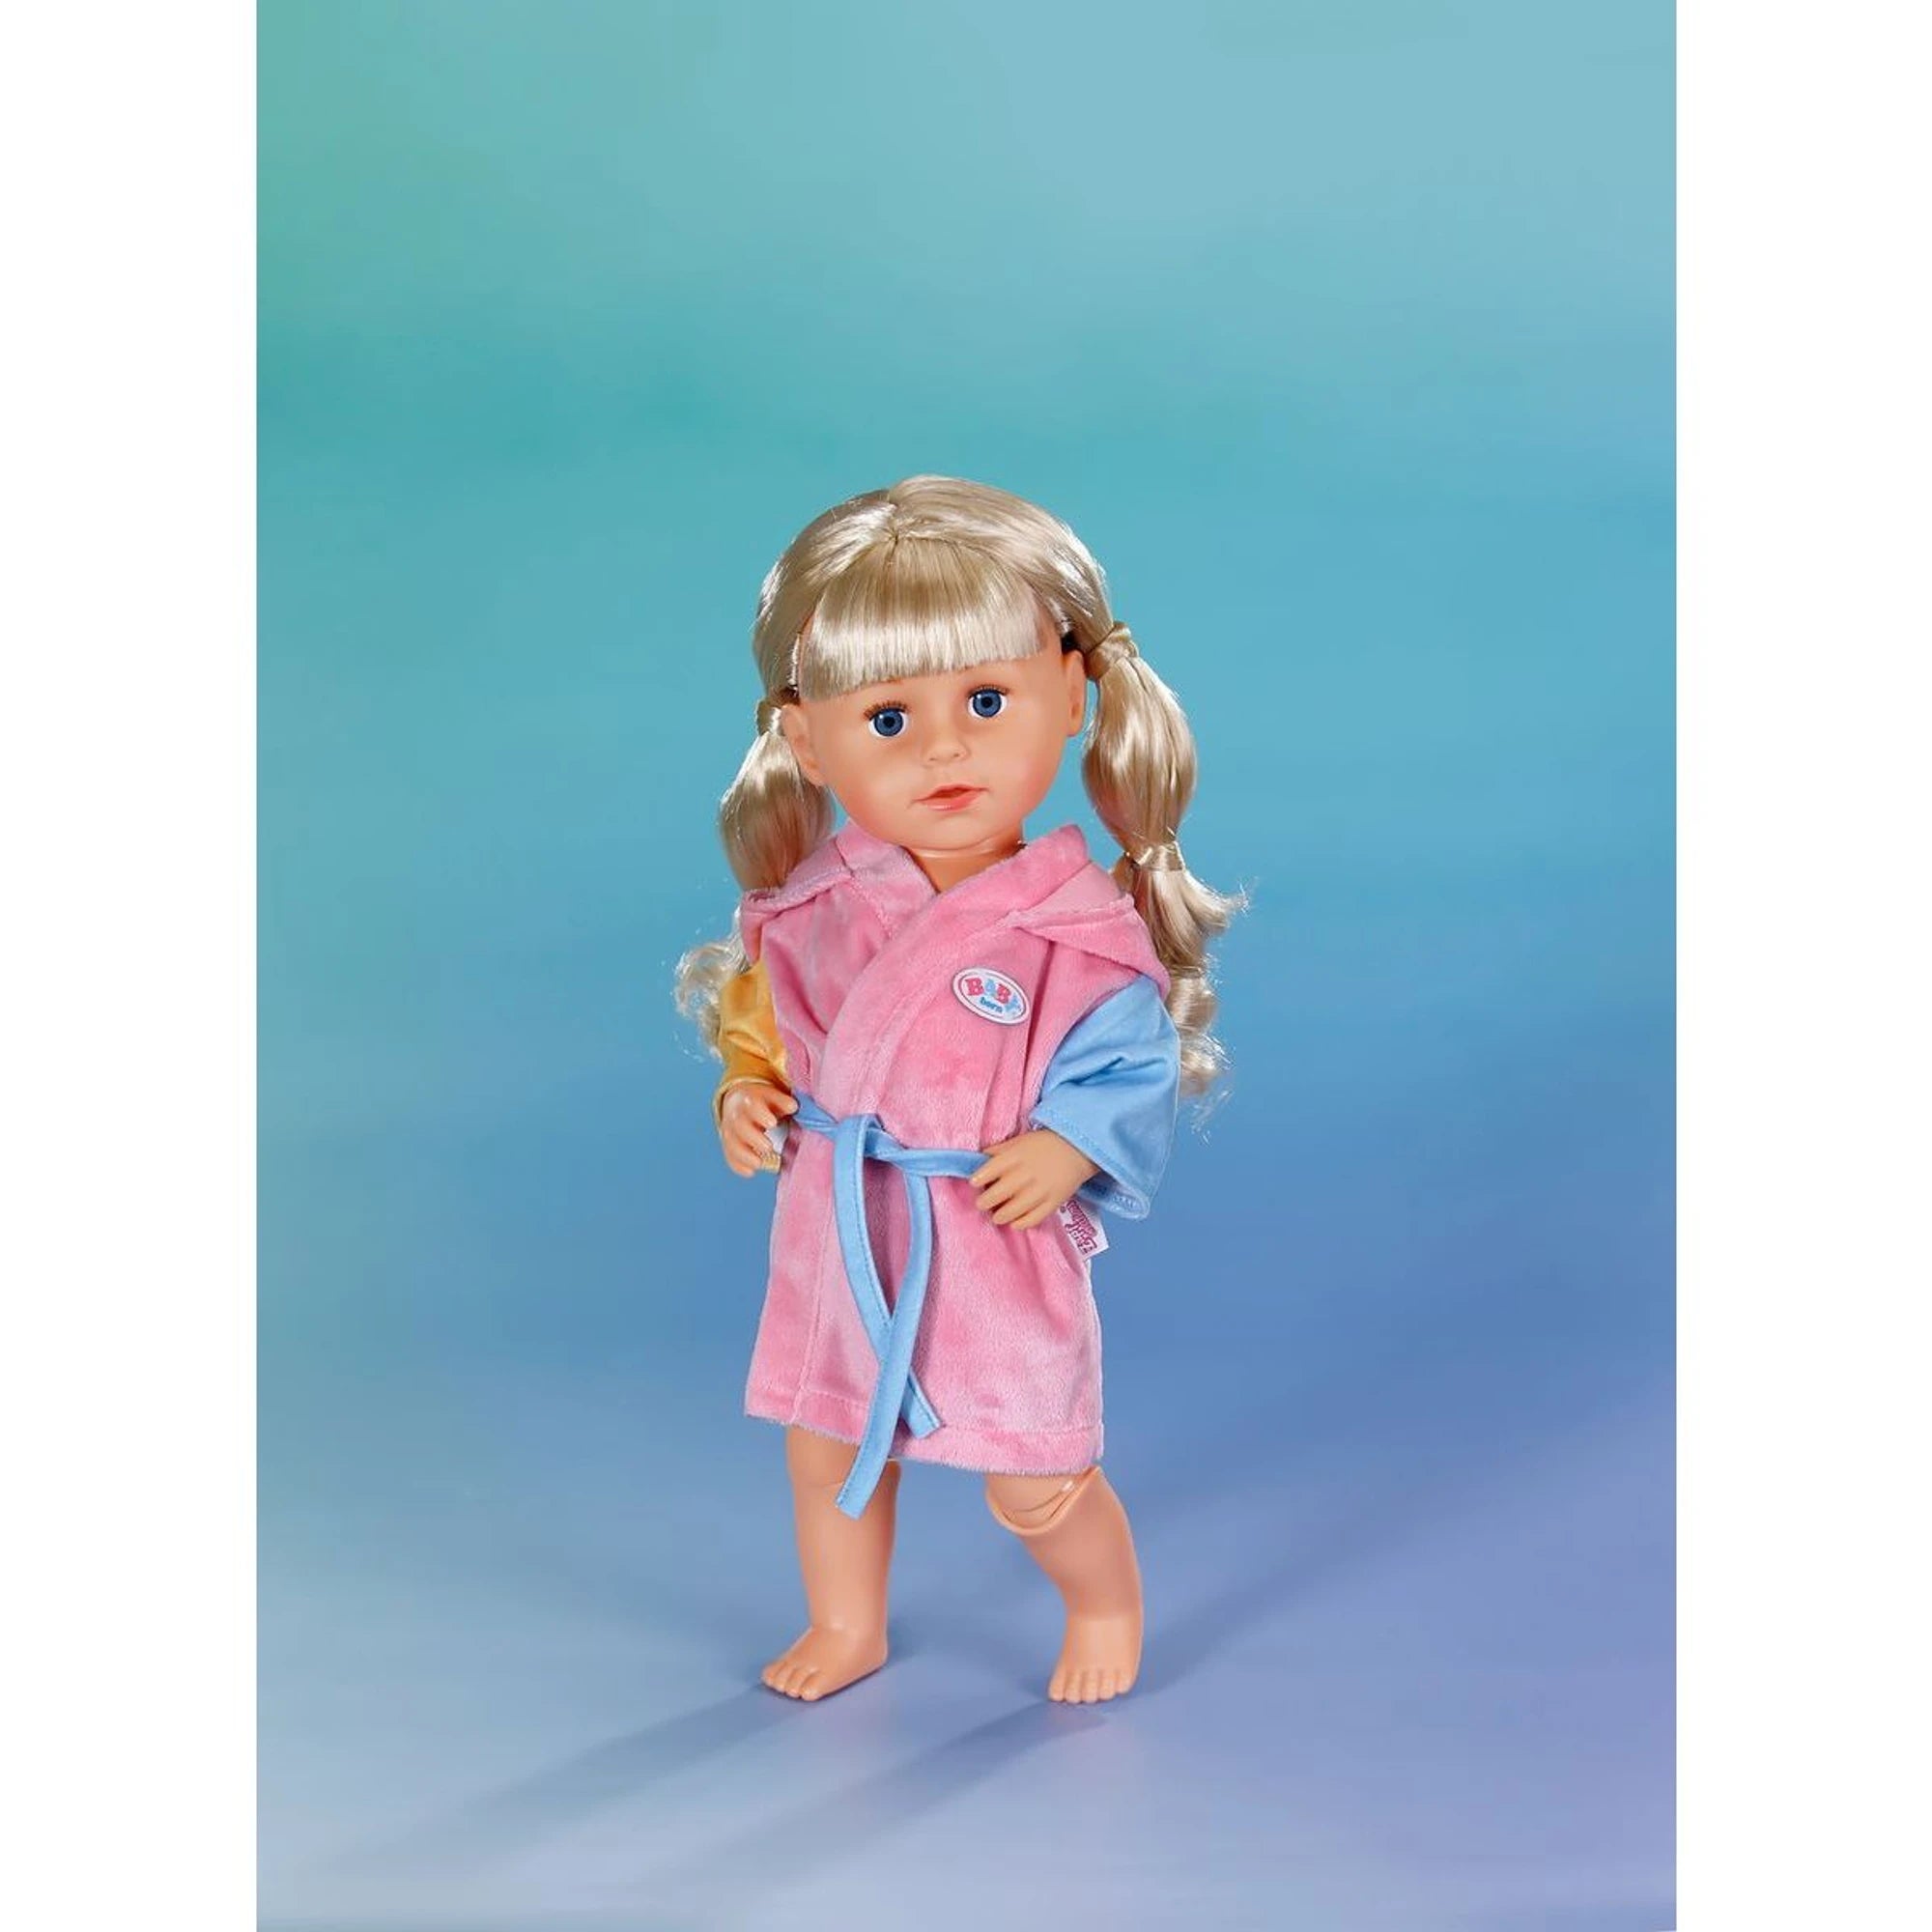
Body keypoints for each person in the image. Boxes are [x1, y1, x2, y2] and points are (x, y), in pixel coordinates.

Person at [675, 475, 1238, 1705]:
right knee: (827, 1435)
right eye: (886, 717)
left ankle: (1103, 1598)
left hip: (985, 1225)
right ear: (806, 738)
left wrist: (1069, 1143)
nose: (942, 748)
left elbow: (1127, 1060)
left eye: (985, 700)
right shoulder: (814, 905)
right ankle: (846, 1622)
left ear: (1072, 692)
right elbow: (759, 1017)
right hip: (838, 1220)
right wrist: (745, 1089)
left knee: (1031, 1470)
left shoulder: (1073, 928)